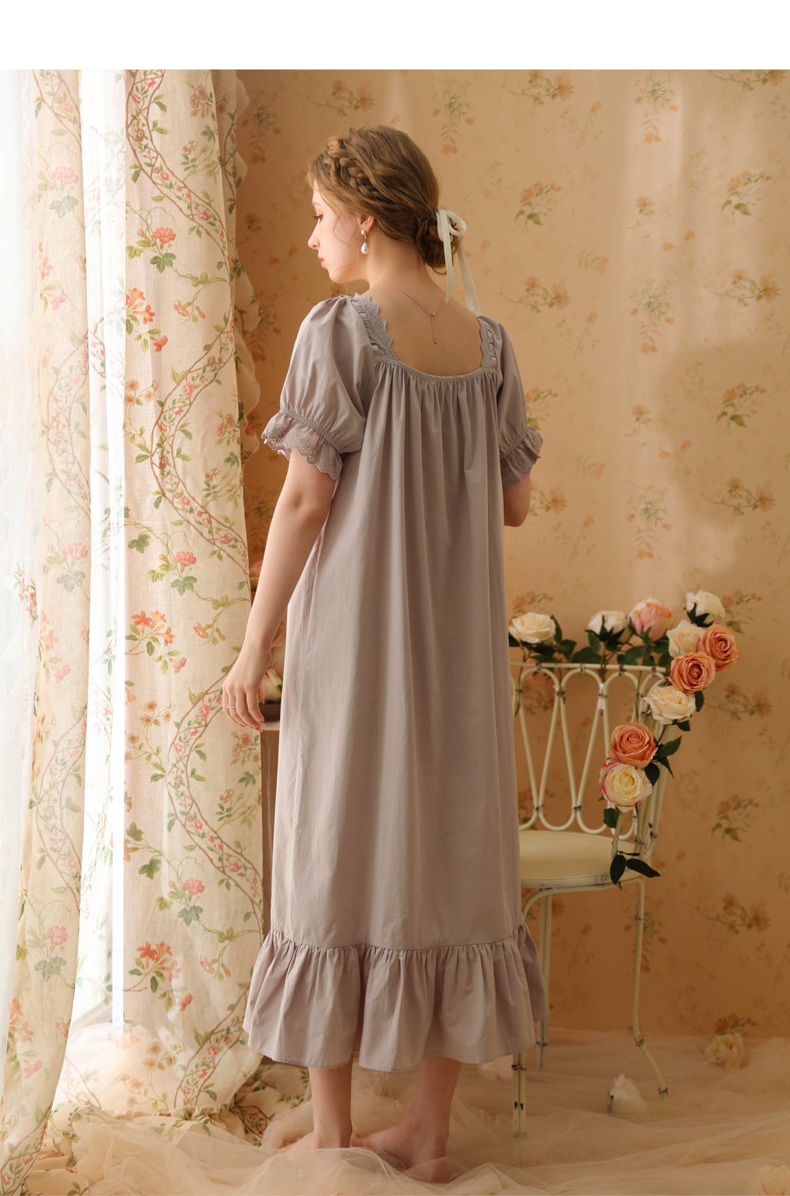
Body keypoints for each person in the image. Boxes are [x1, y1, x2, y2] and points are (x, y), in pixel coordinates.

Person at [222, 124, 548, 1184]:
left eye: (322, 216)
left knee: (331, 857)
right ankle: (428, 1134)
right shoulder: (489, 343)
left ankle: (332, 1137)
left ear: (366, 219)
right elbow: (513, 506)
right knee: (451, 867)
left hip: (358, 648)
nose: (315, 237)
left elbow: (305, 502)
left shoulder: (343, 334)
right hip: (457, 659)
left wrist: (253, 643)